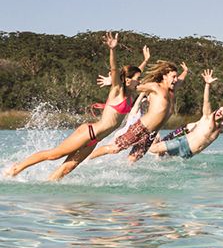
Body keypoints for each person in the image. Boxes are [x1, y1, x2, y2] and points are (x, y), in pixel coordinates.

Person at [4, 32, 143, 181]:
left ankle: (48, 185)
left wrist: (145, 61)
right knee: (55, 155)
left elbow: (134, 73)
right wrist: (112, 49)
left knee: (68, 168)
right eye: (137, 79)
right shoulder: (117, 92)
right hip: (89, 132)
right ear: (127, 80)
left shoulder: (131, 95)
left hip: (95, 140)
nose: (140, 82)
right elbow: (115, 70)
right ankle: (16, 169)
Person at [149, 69, 223, 159]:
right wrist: (207, 85)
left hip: (188, 153)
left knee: (162, 160)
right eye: (218, 111)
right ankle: (144, 140)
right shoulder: (207, 117)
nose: (219, 112)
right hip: (182, 143)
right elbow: (206, 100)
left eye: (222, 113)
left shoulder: (219, 129)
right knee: (152, 149)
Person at [88, 60, 187, 162]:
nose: (175, 79)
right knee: (115, 148)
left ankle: (121, 175)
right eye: (173, 77)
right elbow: (132, 86)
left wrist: (186, 71)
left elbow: (181, 79)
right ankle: (86, 159)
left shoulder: (173, 90)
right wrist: (112, 82)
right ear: (164, 76)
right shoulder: (155, 87)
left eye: (176, 77)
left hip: (152, 134)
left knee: (133, 159)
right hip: (141, 128)